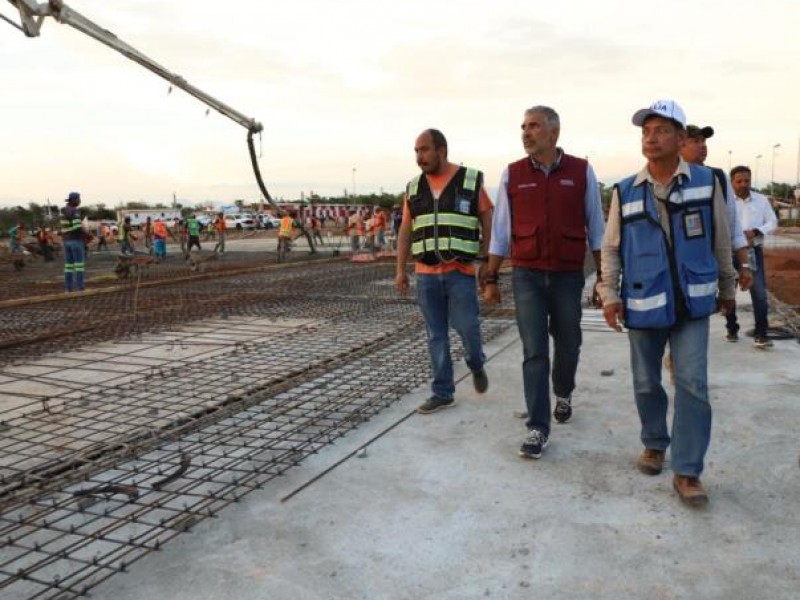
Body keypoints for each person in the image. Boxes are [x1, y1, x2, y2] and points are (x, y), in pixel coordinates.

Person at [598, 99, 737, 507]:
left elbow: (721, 238)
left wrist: (727, 289)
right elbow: (610, 249)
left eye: (661, 130)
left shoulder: (705, 182)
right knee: (645, 382)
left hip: (693, 305)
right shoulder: (624, 191)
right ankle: (655, 443)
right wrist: (609, 294)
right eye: (646, 131)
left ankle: (688, 470)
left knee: (692, 383)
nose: (651, 137)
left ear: (681, 138)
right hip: (643, 305)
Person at [484, 105, 605, 459]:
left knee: (569, 342)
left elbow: (595, 227)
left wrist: (604, 279)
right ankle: (538, 426)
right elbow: (501, 232)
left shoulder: (581, 171)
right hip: (527, 274)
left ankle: (563, 391)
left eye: (534, 126)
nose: (526, 132)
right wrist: (491, 276)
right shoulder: (513, 174)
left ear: (554, 132)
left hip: (569, 274)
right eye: (523, 126)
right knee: (534, 350)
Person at [395, 128, 492, 414]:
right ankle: (442, 391)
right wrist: (401, 270)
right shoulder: (413, 188)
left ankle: (476, 363)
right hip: (426, 275)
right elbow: (405, 230)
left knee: (467, 328)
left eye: (424, 150)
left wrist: (487, 259)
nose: (419, 157)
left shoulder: (470, 181)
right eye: (416, 151)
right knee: (435, 335)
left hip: (459, 272)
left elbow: (488, 219)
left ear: (442, 150)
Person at [725, 165, 779, 348]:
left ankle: (761, 334)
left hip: (752, 252)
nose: (743, 184)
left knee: (759, 294)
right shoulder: (724, 201)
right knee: (728, 291)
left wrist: (756, 231)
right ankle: (731, 328)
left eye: (746, 180)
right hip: (728, 252)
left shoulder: (761, 200)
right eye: (739, 181)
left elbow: (773, 222)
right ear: (732, 182)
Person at [60, 192, 87, 292]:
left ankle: (69, 288)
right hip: (75, 240)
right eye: (79, 199)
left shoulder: (63, 212)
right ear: (74, 200)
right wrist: (86, 234)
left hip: (66, 241)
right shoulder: (74, 211)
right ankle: (80, 288)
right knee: (79, 265)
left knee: (68, 266)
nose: (79, 201)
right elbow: (77, 227)